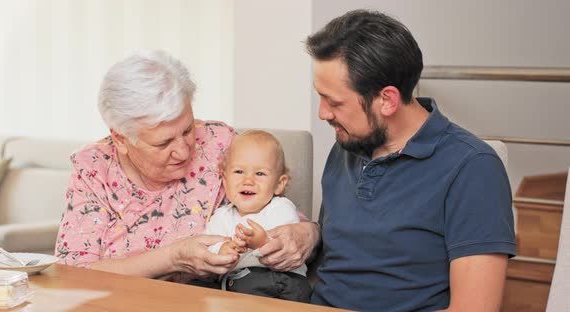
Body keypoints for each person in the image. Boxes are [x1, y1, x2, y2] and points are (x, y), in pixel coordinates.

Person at [306, 10, 516, 312]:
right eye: (321, 97)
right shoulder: (349, 143)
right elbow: (349, 251)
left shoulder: (473, 167)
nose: (323, 113)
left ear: (388, 100)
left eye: (335, 102)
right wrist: (309, 233)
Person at [54, 51, 320, 281]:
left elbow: (279, 214)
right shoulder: (94, 168)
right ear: (121, 139)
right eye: (163, 143)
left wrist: (309, 233)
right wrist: (172, 257)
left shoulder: (219, 143)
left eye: (188, 129)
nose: (183, 151)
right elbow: (72, 273)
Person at [200, 130, 311, 302]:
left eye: (259, 174)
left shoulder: (281, 207)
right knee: (197, 285)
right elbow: (207, 246)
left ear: (279, 184)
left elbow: (286, 244)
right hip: (236, 283)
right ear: (224, 180)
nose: (248, 180)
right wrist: (222, 249)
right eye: (238, 172)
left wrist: (262, 242)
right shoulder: (222, 215)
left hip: (279, 279)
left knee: (253, 285)